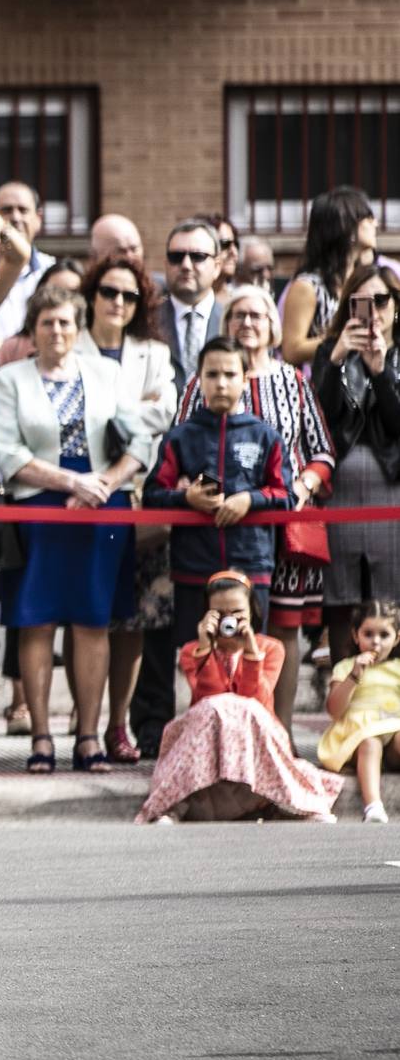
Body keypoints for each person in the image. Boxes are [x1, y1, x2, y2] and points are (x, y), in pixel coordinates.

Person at [0, 288, 142, 775]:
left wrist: (104, 483)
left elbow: (141, 441)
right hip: (39, 502)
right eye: (47, 323)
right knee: (37, 617)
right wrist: (68, 481)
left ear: (79, 329)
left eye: (65, 323)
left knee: (92, 618)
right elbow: (7, 451)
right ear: (32, 329)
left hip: (102, 501)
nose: (57, 331)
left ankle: (88, 737)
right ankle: (40, 737)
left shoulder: (108, 373)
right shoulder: (7, 379)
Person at [183, 286, 335, 738]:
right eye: (238, 315)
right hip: (221, 531)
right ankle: (218, 736)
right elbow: (182, 443)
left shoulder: (294, 380)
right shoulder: (204, 380)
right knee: (219, 631)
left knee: (280, 631)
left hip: (282, 525)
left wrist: (304, 484)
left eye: (257, 315)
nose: (248, 323)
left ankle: (278, 734)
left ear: (273, 327)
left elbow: (321, 450)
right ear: (225, 325)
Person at [139, 336, 292, 758]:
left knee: (251, 655)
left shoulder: (265, 437)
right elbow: (154, 493)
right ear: (200, 380)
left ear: (245, 379)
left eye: (230, 374)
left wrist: (250, 499)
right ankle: (194, 746)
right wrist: (184, 499)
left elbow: (286, 495)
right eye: (212, 374)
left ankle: (254, 747)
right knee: (198, 656)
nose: (221, 383)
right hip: (194, 570)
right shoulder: (181, 438)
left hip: (251, 568)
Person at [137, 572, 341, 823]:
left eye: (236, 613)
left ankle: (286, 804)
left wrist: (251, 653)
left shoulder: (270, 648)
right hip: (209, 738)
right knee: (214, 707)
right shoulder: (192, 651)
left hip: (254, 735)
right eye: (220, 614)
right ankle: (174, 807)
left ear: (252, 611)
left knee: (247, 709)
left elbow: (257, 702)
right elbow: (208, 700)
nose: (228, 621)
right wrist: (206, 649)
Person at [85, 253, 177, 763]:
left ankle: (118, 724)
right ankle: (84, 725)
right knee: (89, 619)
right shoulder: (69, 344)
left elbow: (167, 408)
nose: (117, 303)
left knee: (134, 619)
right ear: (92, 296)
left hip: (138, 496)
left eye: (129, 295)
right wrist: (134, 409)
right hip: (85, 493)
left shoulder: (152, 352)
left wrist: (118, 412)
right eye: (108, 292)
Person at [316, 267, 400, 639]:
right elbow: (320, 418)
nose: (374, 310)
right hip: (341, 493)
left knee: (392, 599)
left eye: (381, 300)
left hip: (390, 490)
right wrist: (335, 360)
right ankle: (341, 689)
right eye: (362, 301)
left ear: (396, 305)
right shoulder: (330, 351)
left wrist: (380, 372)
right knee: (341, 600)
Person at [280, 186, 388, 368]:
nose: (375, 224)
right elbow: (291, 350)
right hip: (323, 388)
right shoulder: (308, 287)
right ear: (348, 227)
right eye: (368, 218)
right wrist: (341, 339)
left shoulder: (360, 279)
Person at [320, 603, 400, 823]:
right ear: (355, 636)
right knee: (370, 743)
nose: (376, 641)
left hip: (392, 727)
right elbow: (334, 710)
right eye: (368, 634)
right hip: (358, 733)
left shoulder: (397, 667)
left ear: (397, 638)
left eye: (384, 635)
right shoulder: (346, 667)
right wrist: (355, 675)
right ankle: (373, 805)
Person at [0, 180, 61, 346]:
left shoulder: (53, 271)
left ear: (38, 219)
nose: (15, 218)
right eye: (6, 210)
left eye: (23, 210)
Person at [161, 217, 228, 391]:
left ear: (217, 267)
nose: (186, 265)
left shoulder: (232, 321)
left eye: (198, 256)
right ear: (166, 264)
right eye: (176, 257)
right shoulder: (146, 320)